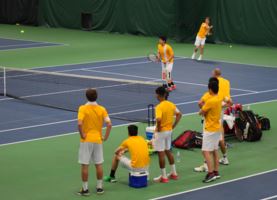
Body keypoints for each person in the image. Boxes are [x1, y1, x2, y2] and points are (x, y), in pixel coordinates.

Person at [194, 70, 232, 172]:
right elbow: (230, 102)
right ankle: (224, 159)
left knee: (207, 147)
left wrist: (205, 112)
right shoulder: (225, 86)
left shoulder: (209, 96)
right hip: (219, 117)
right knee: (218, 142)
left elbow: (200, 105)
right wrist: (223, 106)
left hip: (210, 122)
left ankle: (207, 167)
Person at [77, 88, 112, 196]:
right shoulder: (102, 109)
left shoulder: (82, 108)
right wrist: (105, 137)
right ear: (96, 97)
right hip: (98, 140)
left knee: (85, 165)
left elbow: (79, 123)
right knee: (98, 164)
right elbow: (109, 124)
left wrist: (82, 134)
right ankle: (100, 188)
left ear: (86, 97)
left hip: (86, 140)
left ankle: (85, 190)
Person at [153, 86, 182, 183]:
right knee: (168, 151)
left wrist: (158, 127)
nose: (156, 96)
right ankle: (174, 173)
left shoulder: (159, 107)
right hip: (169, 131)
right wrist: (174, 125)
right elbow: (179, 114)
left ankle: (164, 177)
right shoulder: (171, 104)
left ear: (159, 95)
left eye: (156, 94)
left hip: (161, 133)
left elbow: (158, 119)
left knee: (161, 154)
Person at [199, 79, 222, 183]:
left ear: (210, 90)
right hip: (217, 127)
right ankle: (216, 172)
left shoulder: (210, 101)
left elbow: (201, 112)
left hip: (210, 128)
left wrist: (203, 112)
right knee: (215, 150)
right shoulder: (218, 98)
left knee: (205, 151)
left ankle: (210, 173)